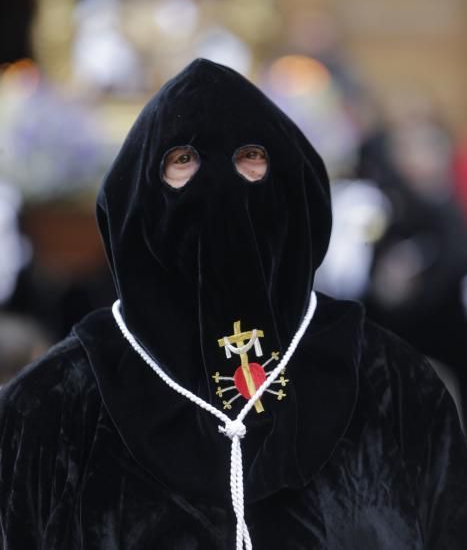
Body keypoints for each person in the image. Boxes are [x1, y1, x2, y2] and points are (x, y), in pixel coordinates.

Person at [0, 58, 466, 549]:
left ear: (294, 183)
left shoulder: (397, 387)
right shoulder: (46, 413)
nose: (219, 185)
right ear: (136, 197)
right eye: (182, 161)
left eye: (251, 157)